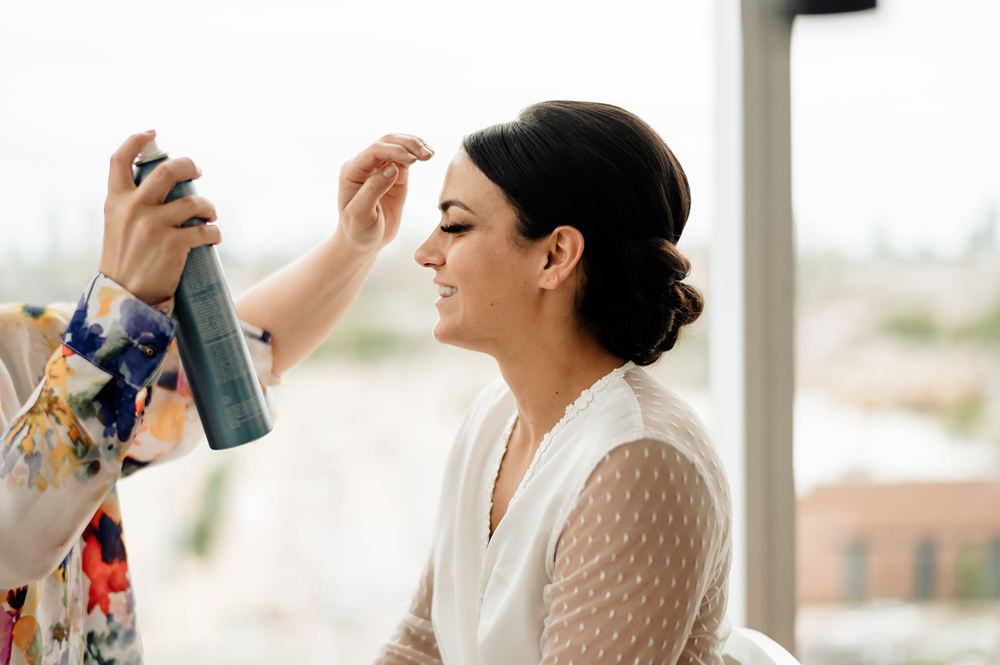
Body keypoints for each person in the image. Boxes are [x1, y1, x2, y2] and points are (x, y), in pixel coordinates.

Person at [0, 129, 433, 665]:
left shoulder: (22, 343)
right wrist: (120, 302)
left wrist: (353, 244)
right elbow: (11, 536)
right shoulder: (74, 347)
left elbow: (231, 359)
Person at [376, 101, 732, 665]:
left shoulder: (636, 461)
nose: (426, 252)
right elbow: (423, 644)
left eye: (455, 225)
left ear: (556, 255)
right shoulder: (494, 415)